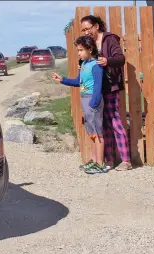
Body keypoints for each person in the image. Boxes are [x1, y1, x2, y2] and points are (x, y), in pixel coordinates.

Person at [80, 15, 132, 171]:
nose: (86, 32)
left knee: (115, 122)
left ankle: (126, 160)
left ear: (96, 26)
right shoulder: (90, 43)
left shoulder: (109, 39)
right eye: (83, 30)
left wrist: (107, 61)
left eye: (88, 28)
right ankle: (108, 160)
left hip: (110, 87)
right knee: (102, 126)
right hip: (97, 89)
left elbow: (120, 59)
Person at [51, 35, 109, 174]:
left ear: (90, 49)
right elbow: (79, 82)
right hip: (86, 100)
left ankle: (100, 164)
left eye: (81, 50)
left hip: (92, 101)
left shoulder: (96, 66)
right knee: (91, 133)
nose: (79, 53)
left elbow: (98, 86)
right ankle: (94, 161)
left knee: (98, 133)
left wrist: (94, 104)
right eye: (77, 50)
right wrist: (62, 80)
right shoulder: (83, 64)